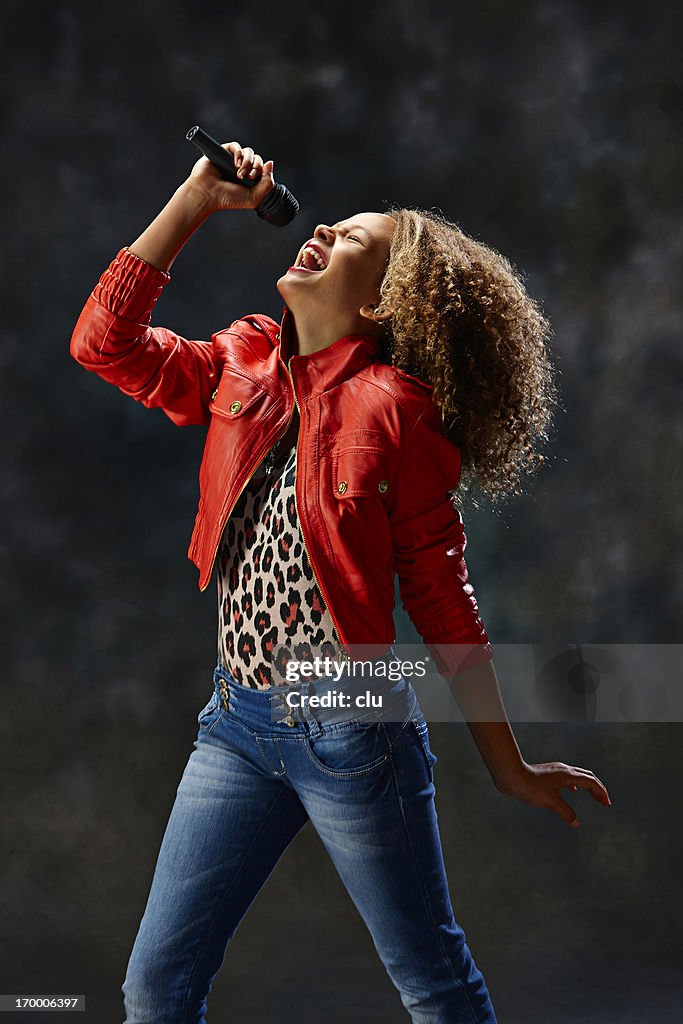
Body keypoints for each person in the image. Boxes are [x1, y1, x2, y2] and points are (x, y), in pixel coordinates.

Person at [70, 141, 611, 1024]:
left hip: (351, 725)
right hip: (236, 724)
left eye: (354, 236)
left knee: (432, 983)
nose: (321, 226)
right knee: (154, 992)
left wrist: (506, 765)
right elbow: (102, 344)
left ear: (380, 301)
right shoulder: (239, 361)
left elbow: (444, 600)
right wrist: (195, 201)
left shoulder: (398, 412)